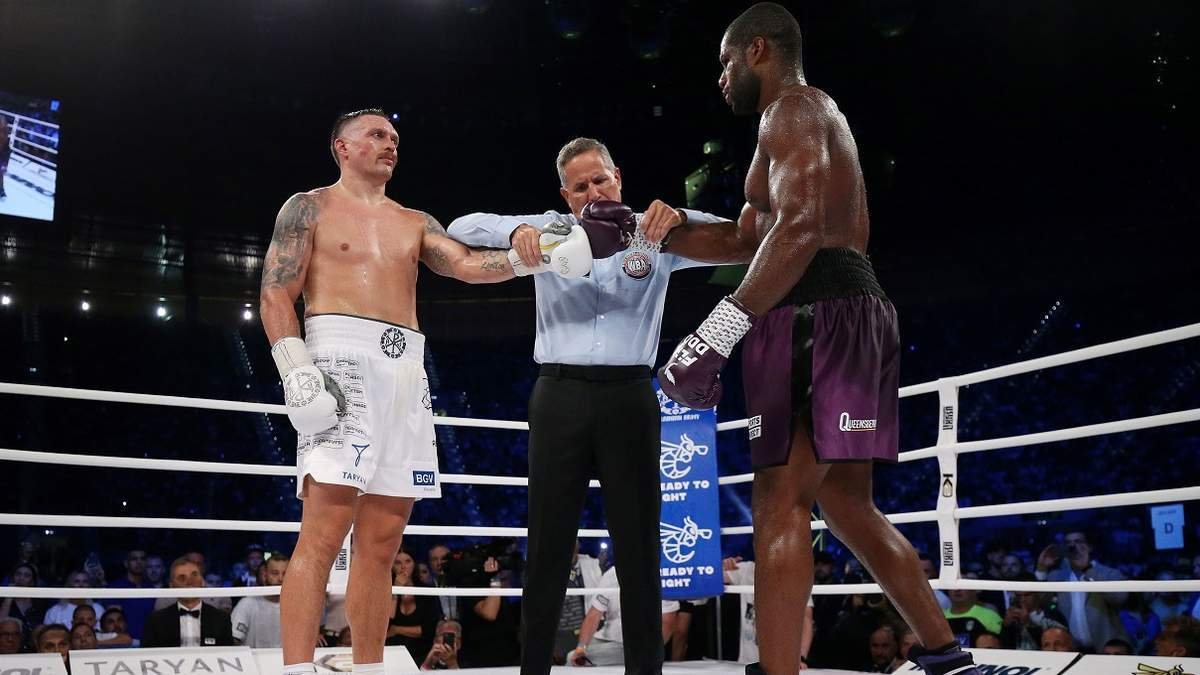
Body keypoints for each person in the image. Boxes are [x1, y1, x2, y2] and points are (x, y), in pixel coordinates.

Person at [655, 4, 979, 675]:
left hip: (813, 310)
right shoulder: (798, 125)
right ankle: (946, 654)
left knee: (780, 501)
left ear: (759, 50)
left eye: (725, 62)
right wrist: (651, 230)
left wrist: (718, 330)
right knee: (848, 503)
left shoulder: (791, 110)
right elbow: (743, 239)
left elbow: (798, 229)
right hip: (852, 309)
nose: (721, 78)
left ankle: (778, 671)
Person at [259, 109, 541, 675]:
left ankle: (369, 669)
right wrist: (295, 367)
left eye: (394, 137)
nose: (390, 143)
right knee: (322, 535)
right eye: (376, 135)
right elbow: (274, 292)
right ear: (342, 147)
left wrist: (530, 258)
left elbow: (465, 265)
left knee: (383, 544)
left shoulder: (415, 221)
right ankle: (295, 671)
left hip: (406, 370)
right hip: (338, 360)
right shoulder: (309, 206)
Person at [447, 137, 734, 675]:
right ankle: (534, 670)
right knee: (548, 543)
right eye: (580, 186)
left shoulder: (654, 231)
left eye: (600, 179)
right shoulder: (551, 228)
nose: (593, 191)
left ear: (617, 177)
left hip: (631, 395)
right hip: (560, 395)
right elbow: (461, 226)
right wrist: (517, 233)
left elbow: (735, 238)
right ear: (566, 195)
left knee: (639, 544)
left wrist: (682, 217)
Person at [566, 565, 681, 667]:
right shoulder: (612, 574)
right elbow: (594, 614)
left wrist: (649, 653)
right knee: (575, 656)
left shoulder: (660, 575)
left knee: (575, 658)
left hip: (633, 645)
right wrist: (581, 647)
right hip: (604, 638)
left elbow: (668, 622)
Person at [1040, 531, 1128, 651]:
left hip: (1106, 649)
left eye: (1078, 542)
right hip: (1071, 648)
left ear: (1089, 547)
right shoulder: (1057, 576)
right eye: (1068, 543)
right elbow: (1041, 602)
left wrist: (1087, 569)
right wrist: (1042, 569)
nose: (1073, 546)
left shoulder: (1109, 573)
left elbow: (1120, 598)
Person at [723, 556, 813, 666]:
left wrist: (801, 657)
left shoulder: (794, 576)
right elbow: (711, 577)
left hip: (782, 661)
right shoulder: (747, 569)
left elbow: (806, 620)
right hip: (746, 661)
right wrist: (720, 566)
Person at [141, 557, 234, 648]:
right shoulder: (156, 621)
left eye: (194, 575)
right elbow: (147, 655)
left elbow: (228, 655)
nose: (189, 582)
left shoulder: (221, 619)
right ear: (171, 586)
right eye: (182, 578)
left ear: (203, 582)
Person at [386, 549, 442, 662]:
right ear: (392, 566)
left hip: (422, 652)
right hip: (392, 652)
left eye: (408, 561)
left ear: (414, 564)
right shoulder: (385, 592)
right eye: (398, 563)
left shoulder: (426, 591)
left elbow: (429, 630)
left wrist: (396, 629)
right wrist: (395, 591)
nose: (403, 567)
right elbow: (385, 627)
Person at [231, 551, 290, 648]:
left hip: (287, 658)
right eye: (275, 573)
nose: (281, 579)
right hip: (253, 658)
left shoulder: (298, 606)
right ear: (265, 575)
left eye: (285, 574)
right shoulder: (247, 604)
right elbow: (234, 639)